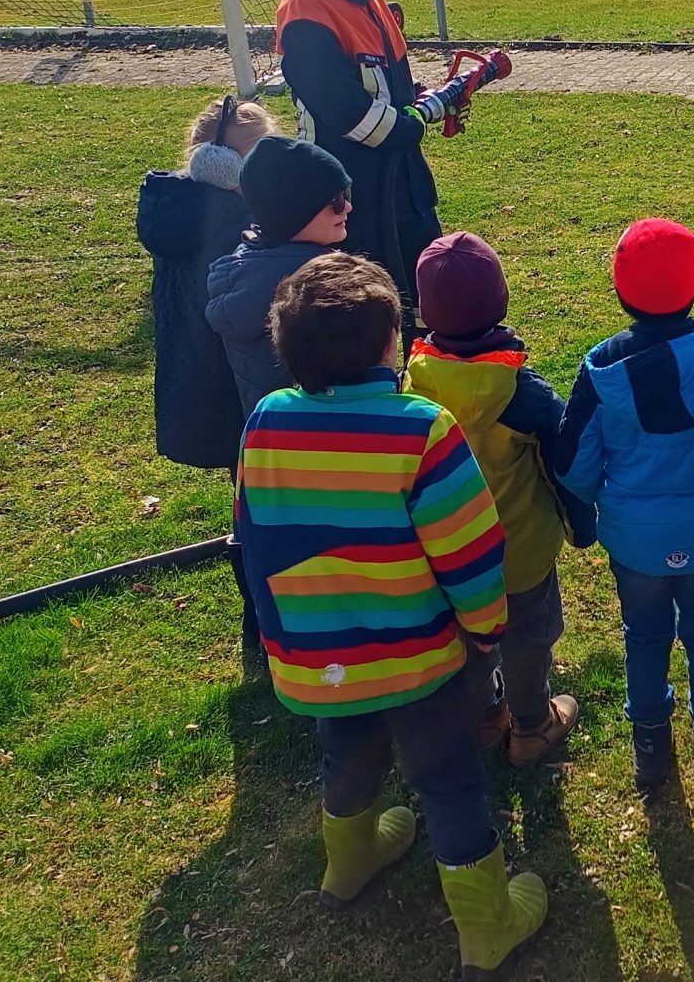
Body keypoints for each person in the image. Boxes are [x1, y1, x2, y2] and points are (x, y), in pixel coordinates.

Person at [232, 251, 547, 972]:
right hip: (421, 659)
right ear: (390, 345)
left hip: (319, 658)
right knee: (447, 781)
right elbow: (470, 552)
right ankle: (485, 924)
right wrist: (486, 633)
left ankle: (348, 862)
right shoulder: (422, 429)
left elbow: (258, 537)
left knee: (346, 753)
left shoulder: (264, 421)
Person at [554, 218, 694, 792]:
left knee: (644, 635)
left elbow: (571, 460)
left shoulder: (601, 368)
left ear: (618, 288)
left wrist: (592, 506)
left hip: (634, 540)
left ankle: (650, 747)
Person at [404, 230, 591, 768]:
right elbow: (565, 470)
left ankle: (484, 717)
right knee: (529, 638)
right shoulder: (525, 395)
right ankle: (532, 725)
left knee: (465, 640)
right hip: (521, 555)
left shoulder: (409, 386)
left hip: (444, 554)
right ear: (501, 300)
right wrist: (582, 527)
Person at [274, 0, 462, 322]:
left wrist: (424, 95)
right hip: (351, 191)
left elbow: (392, 84)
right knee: (367, 313)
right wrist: (417, 119)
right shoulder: (304, 9)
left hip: (403, 181)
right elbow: (346, 113)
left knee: (425, 303)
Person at [135, 95, 274, 667]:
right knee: (262, 503)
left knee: (247, 497)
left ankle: (261, 617)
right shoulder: (232, 223)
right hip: (238, 384)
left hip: (200, 382)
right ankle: (264, 617)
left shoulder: (176, 206)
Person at [205, 136, 353, 417]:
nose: (347, 207)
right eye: (335, 200)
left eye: (347, 194)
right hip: (328, 442)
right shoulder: (321, 288)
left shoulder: (245, 267)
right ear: (294, 212)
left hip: (269, 442)